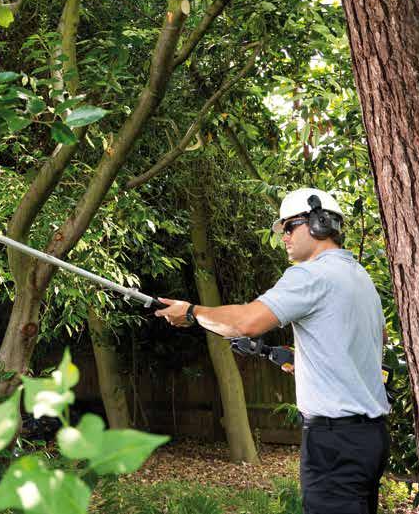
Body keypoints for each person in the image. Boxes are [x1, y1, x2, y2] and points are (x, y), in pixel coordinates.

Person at [155, 188, 390, 514]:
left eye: (289, 227)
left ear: (318, 223)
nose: (283, 237)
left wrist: (192, 312)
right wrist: (309, 362)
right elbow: (370, 341)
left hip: (333, 443)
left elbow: (247, 322)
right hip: (370, 438)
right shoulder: (358, 276)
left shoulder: (311, 275)